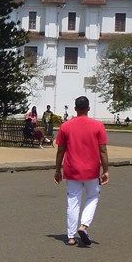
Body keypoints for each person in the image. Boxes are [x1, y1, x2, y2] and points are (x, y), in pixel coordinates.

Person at [54, 95, 109, 247]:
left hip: (72, 169)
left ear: (75, 109)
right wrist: (106, 170)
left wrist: (57, 170)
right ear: (88, 108)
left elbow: (60, 150)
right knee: (93, 196)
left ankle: (71, 237)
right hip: (92, 169)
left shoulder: (66, 126)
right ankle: (83, 225)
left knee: (73, 201)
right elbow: (103, 150)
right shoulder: (98, 126)